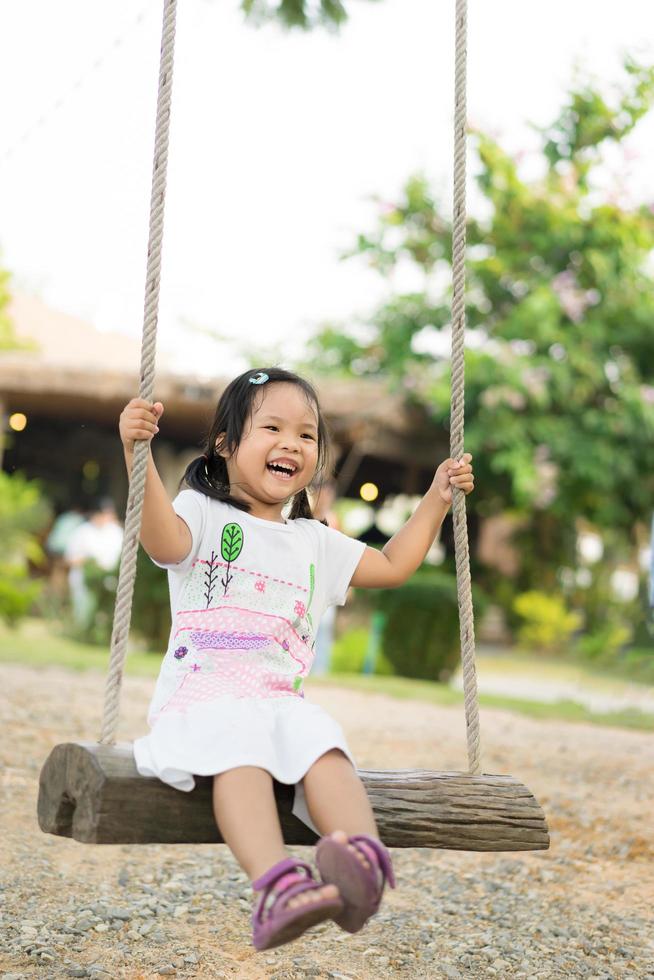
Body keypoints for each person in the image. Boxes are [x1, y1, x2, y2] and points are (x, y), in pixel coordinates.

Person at [119, 367, 474, 952]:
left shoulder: (313, 540)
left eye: (307, 435)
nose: (292, 443)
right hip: (205, 697)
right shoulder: (201, 514)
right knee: (242, 754)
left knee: (323, 742)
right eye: (273, 427)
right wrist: (140, 458)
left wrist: (437, 499)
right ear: (226, 445)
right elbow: (161, 541)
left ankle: (359, 857)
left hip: (278, 699)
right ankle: (276, 885)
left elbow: (391, 566)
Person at [65, 498, 124, 629]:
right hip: (84, 580)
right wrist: (88, 562)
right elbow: (70, 559)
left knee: (106, 617)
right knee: (83, 616)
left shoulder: (117, 532)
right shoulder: (82, 531)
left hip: (110, 581)